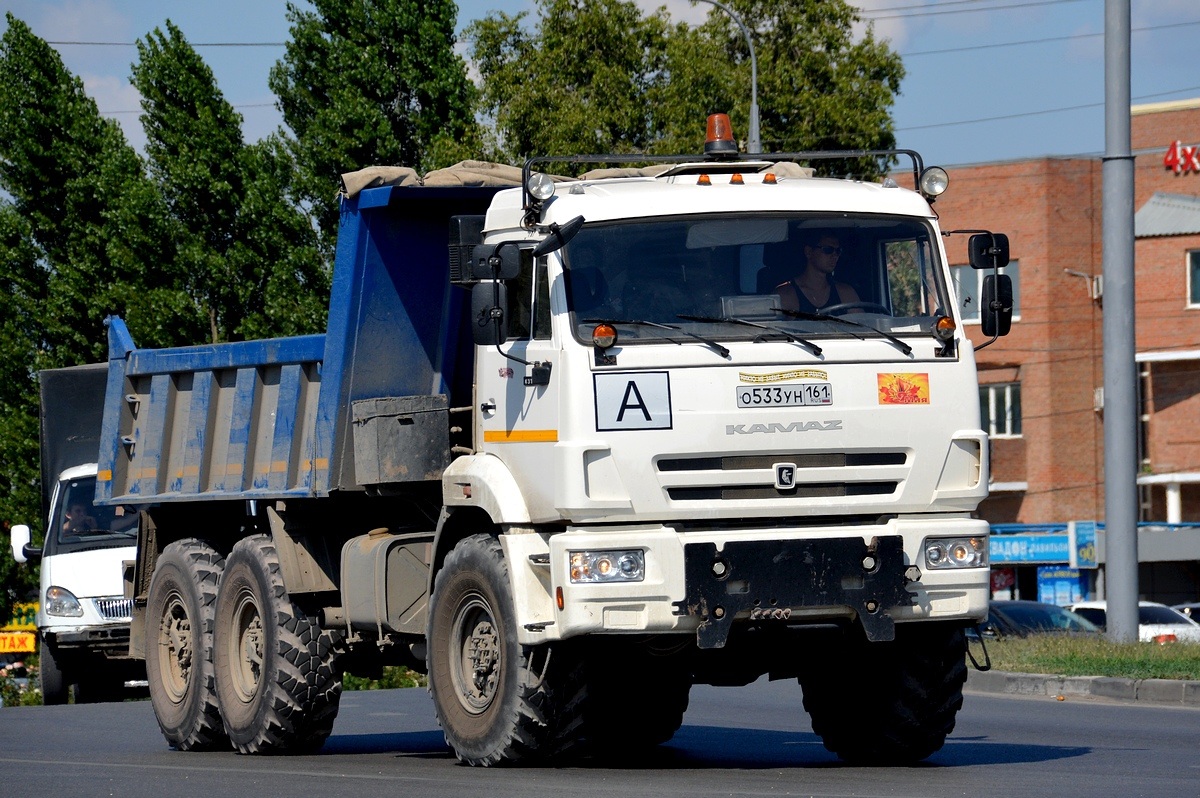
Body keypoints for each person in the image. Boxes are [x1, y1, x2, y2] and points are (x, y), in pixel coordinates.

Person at [774, 232, 860, 313]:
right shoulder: (785, 295)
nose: (834, 255)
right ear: (809, 251)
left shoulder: (846, 293)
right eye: (828, 250)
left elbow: (862, 325)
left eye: (838, 251)